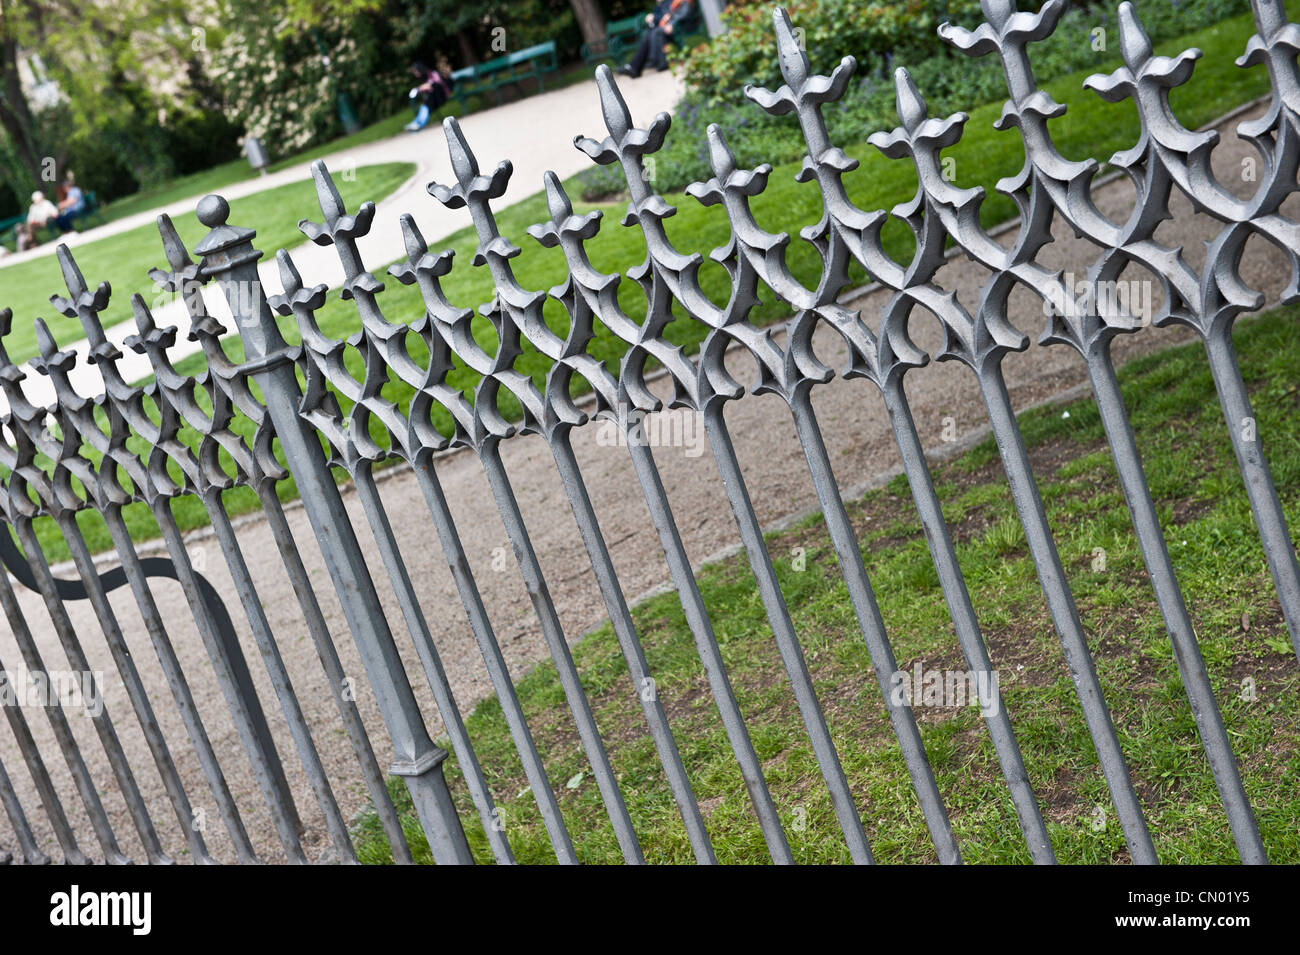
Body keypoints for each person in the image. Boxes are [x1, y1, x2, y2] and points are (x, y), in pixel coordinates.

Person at [618, 0, 699, 78]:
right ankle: (641, 65)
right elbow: (671, 13)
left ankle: (651, 62)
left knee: (655, 32)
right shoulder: (672, 2)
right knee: (652, 33)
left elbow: (683, 14)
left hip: (681, 27)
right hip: (671, 26)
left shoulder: (683, 1)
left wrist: (672, 24)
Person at [405, 61, 453, 132]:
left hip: (441, 96)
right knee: (425, 105)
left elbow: (437, 85)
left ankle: (418, 124)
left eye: (415, 71)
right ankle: (417, 123)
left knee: (427, 103)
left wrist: (424, 87)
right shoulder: (423, 78)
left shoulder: (432, 74)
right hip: (433, 100)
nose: (415, 73)